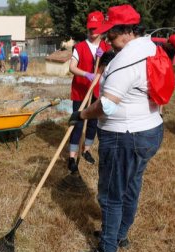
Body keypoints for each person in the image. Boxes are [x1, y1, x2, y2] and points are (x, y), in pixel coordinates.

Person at [69, 4, 164, 252]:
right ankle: (119, 234)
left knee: (111, 193)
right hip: (150, 130)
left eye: (109, 34)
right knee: (130, 186)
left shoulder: (124, 62)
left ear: (124, 32)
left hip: (125, 136)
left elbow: (106, 106)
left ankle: (108, 251)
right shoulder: (148, 46)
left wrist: (82, 115)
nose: (105, 39)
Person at [67, 11, 111, 173]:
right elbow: (72, 67)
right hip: (80, 90)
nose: (93, 32)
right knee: (77, 123)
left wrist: (105, 58)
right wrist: (86, 74)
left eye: (96, 28)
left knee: (93, 123)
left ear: (102, 28)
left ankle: (86, 150)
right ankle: (72, 157)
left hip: (98, 91)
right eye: (90, 28)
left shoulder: (107, 48)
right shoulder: (79, 47)